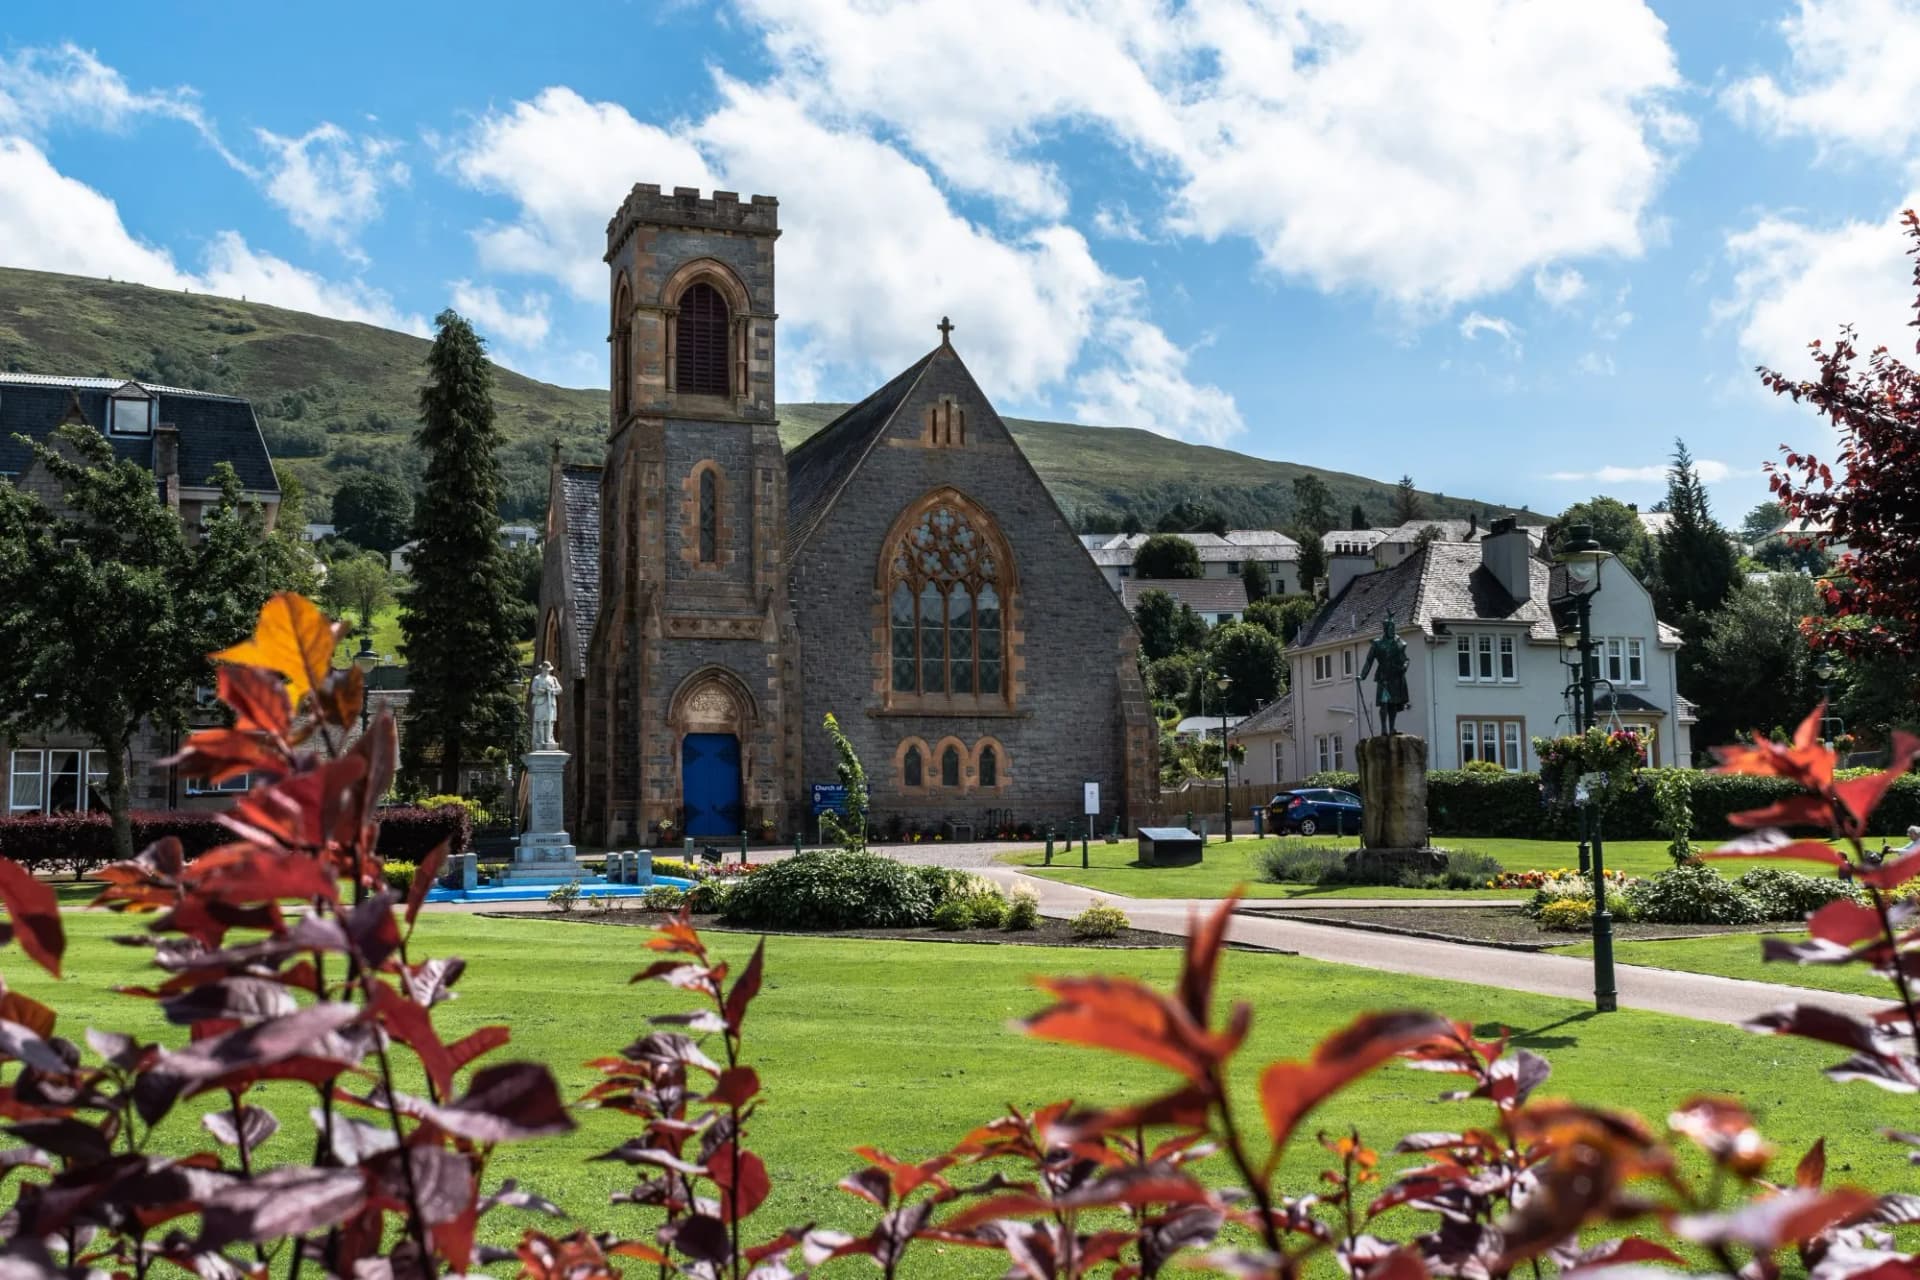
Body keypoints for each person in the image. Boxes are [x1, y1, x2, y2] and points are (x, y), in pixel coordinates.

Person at [1358, 615, 1412, 736]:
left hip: (1396, 677)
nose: (1392, 631)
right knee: (1384, 703)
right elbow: (1369, 661)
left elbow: (1406, 659)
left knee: (1393, 704)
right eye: (1390, 628)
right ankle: (1383, 728)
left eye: (1394, 628)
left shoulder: (1399, 643)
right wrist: (1362, 676)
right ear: (1385, 629)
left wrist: (1405, 666)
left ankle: (1392, 728)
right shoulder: (1377, 644)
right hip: (1383, 677)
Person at [529, 661, 561, 750]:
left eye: (547, 668)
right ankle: (542, 739)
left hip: (550, 702)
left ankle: (549, 739)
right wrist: (542, 691)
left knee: (550, 721)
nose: (546, 670)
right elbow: (533, 689)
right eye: (544, 668)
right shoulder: (537, 678)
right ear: (542, 668)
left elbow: (559, 689)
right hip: (540, 701)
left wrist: (551, 690)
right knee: (541, 721)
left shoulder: (553, 679)